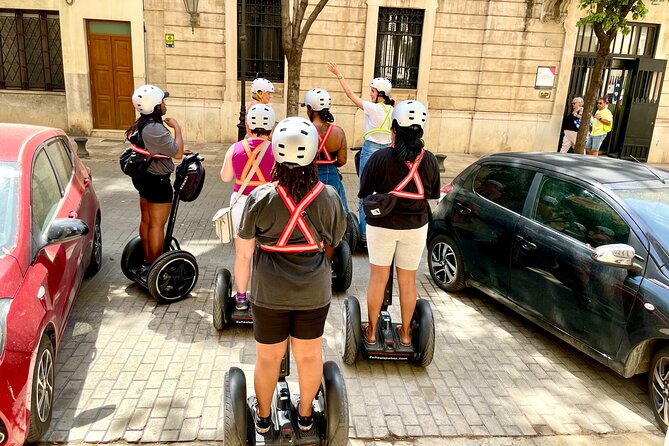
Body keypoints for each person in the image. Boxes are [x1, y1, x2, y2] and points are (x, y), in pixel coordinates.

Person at [236, 117, 346, 434]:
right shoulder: (329, 197)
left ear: (276, 154)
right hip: (313, 291)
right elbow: (334, 242)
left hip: (268, 292)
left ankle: (264, 418)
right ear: (313, 155)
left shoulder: (260, 197)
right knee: (310, 356)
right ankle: (306, 415)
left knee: (268, 359)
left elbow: (244, 253)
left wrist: (241, 296)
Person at [358, 100, 439, 347]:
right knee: (407, 280)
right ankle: (405, 334)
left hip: (382, 225)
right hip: (415, 226)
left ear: (394, 129)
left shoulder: (380, 158)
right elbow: (432, 194)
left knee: (378, 278)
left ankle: (371, 333)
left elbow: (363, 193)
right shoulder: (430, 160)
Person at [327, 62, 395, 247]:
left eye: (373, 91)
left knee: (364, 192)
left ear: (380, 93)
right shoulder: (392, 110)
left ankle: (364, 234)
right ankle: (380, 228)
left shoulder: (373, 108)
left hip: (371, 151)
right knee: (382, 191)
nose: (371, 94)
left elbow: (350, 95)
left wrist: (339, 74)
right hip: (387, 152)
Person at [220, 104, 276, 310]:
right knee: (270, 252)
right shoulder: (275, 149)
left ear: (247, 124)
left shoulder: (234, 148)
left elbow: (226, 177)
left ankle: (242, 299)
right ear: (271, 126)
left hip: (242, 204)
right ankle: (267, 296)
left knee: (243, 255)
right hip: (269, 204)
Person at [126, 84, 185, 278]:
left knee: (147, 220)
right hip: (157, 180)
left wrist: (175, 148)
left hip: (145, 178)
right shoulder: (154, 128)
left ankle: (147, 261)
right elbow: (176, 153)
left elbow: (159, 148)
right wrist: (177, 128)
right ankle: (153, 264)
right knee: (157, 225)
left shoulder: (142, 123)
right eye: (163, 101)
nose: (165, 104)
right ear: (155, 106)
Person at [303, 87, 350, 213]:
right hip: (331, 176)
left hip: (309, 176)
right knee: (334, 210)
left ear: (310, 109)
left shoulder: (304, 131)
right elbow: (342, 161)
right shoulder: (339, 132)